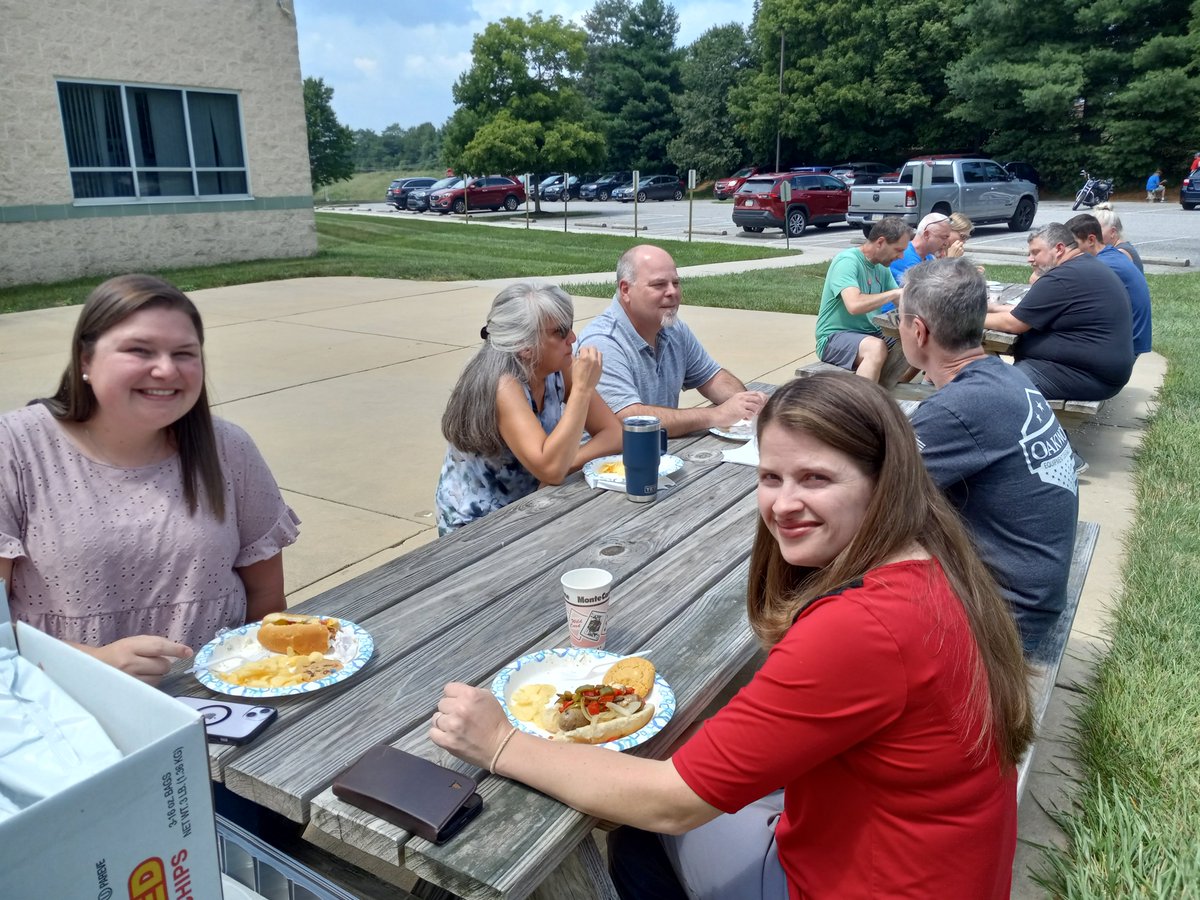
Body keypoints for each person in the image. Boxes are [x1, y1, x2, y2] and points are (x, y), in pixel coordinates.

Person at [432, 374, 1033, 900]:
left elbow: (673, 801)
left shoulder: (861, 628)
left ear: (885, 481)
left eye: (817, 478)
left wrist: (499, 743)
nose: (785, 503)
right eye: (771, 476)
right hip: (937, 864)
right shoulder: (933, 561)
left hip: (866, 881)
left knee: (639, 835)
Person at [0, 274, 299, 684]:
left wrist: (259, 682)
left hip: (223, 696)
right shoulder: (15, 448)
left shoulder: (228, 448)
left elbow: (265, 601)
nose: (165, 369)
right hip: (61, 706)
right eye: (139, 350)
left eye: (184, 353)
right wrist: (95, 664)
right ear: (85, 360)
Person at [899, 258, 1079, 657]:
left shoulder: (957, 408)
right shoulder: (1005, 377)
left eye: (900, 321)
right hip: (1035, 591)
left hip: (1006, 618)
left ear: (918, 330)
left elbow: (875, 499)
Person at [435, 282, 623, 534]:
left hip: (531, 507)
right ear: (525, 344)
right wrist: (581, 390)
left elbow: (613, 433)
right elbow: (551, 469)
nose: (573, 338)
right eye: (561, 331)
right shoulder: (503, 385)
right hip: (480, 527)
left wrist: (561, 463)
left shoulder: (555, 367)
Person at [576, 245, 767, 437]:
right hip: (605, 464)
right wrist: (716, 414)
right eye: (659, 285)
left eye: (675, 283)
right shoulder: (603, 343)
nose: (672, 292)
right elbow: (629, 419)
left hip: (658, 453)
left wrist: (747, 404)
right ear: (625, 290)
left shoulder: (673, 329)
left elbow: (712, 377)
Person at [985, 223, 1134, 402]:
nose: (1030, 259)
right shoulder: (1083, 267)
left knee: (994, 389)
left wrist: (964, 319)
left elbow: (1013, 323)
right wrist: (993, 308)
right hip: (1098, 373)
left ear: (1059, 249)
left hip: (1085, 376)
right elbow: (1027, 313)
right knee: (992, 379)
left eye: (1035, 252)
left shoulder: (1062, 277)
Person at [815, 215, 912, 381]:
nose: (902, 256)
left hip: (870, 334)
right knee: (875, 348)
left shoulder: (881, 267)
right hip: (833, 338)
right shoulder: (847, 261)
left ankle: (895, 385)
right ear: (880, 242)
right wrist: (895, 293)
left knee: (918, 340)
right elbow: (854, 305)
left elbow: (901, 302)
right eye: (898, 250)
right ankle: (861, 405)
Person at [1066, 213, 1152, 355]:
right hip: (1129, 336)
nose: (1070, 249)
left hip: (1126, 343)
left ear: (1091, 240)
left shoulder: (1103, 264)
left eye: (1074, 244)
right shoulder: (1111, 254)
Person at [888, 211, 953, 285]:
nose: (946, 243)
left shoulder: (927, 255)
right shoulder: (907, 258)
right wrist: (950, 263)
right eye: (944, 237)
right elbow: (930, 291)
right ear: (926, 235)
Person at [1091, 203, 1144, 273]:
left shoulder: (1119, 253)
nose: (1091, 234)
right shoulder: (1123, 247)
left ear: (1113, 232)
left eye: (1097, 230)